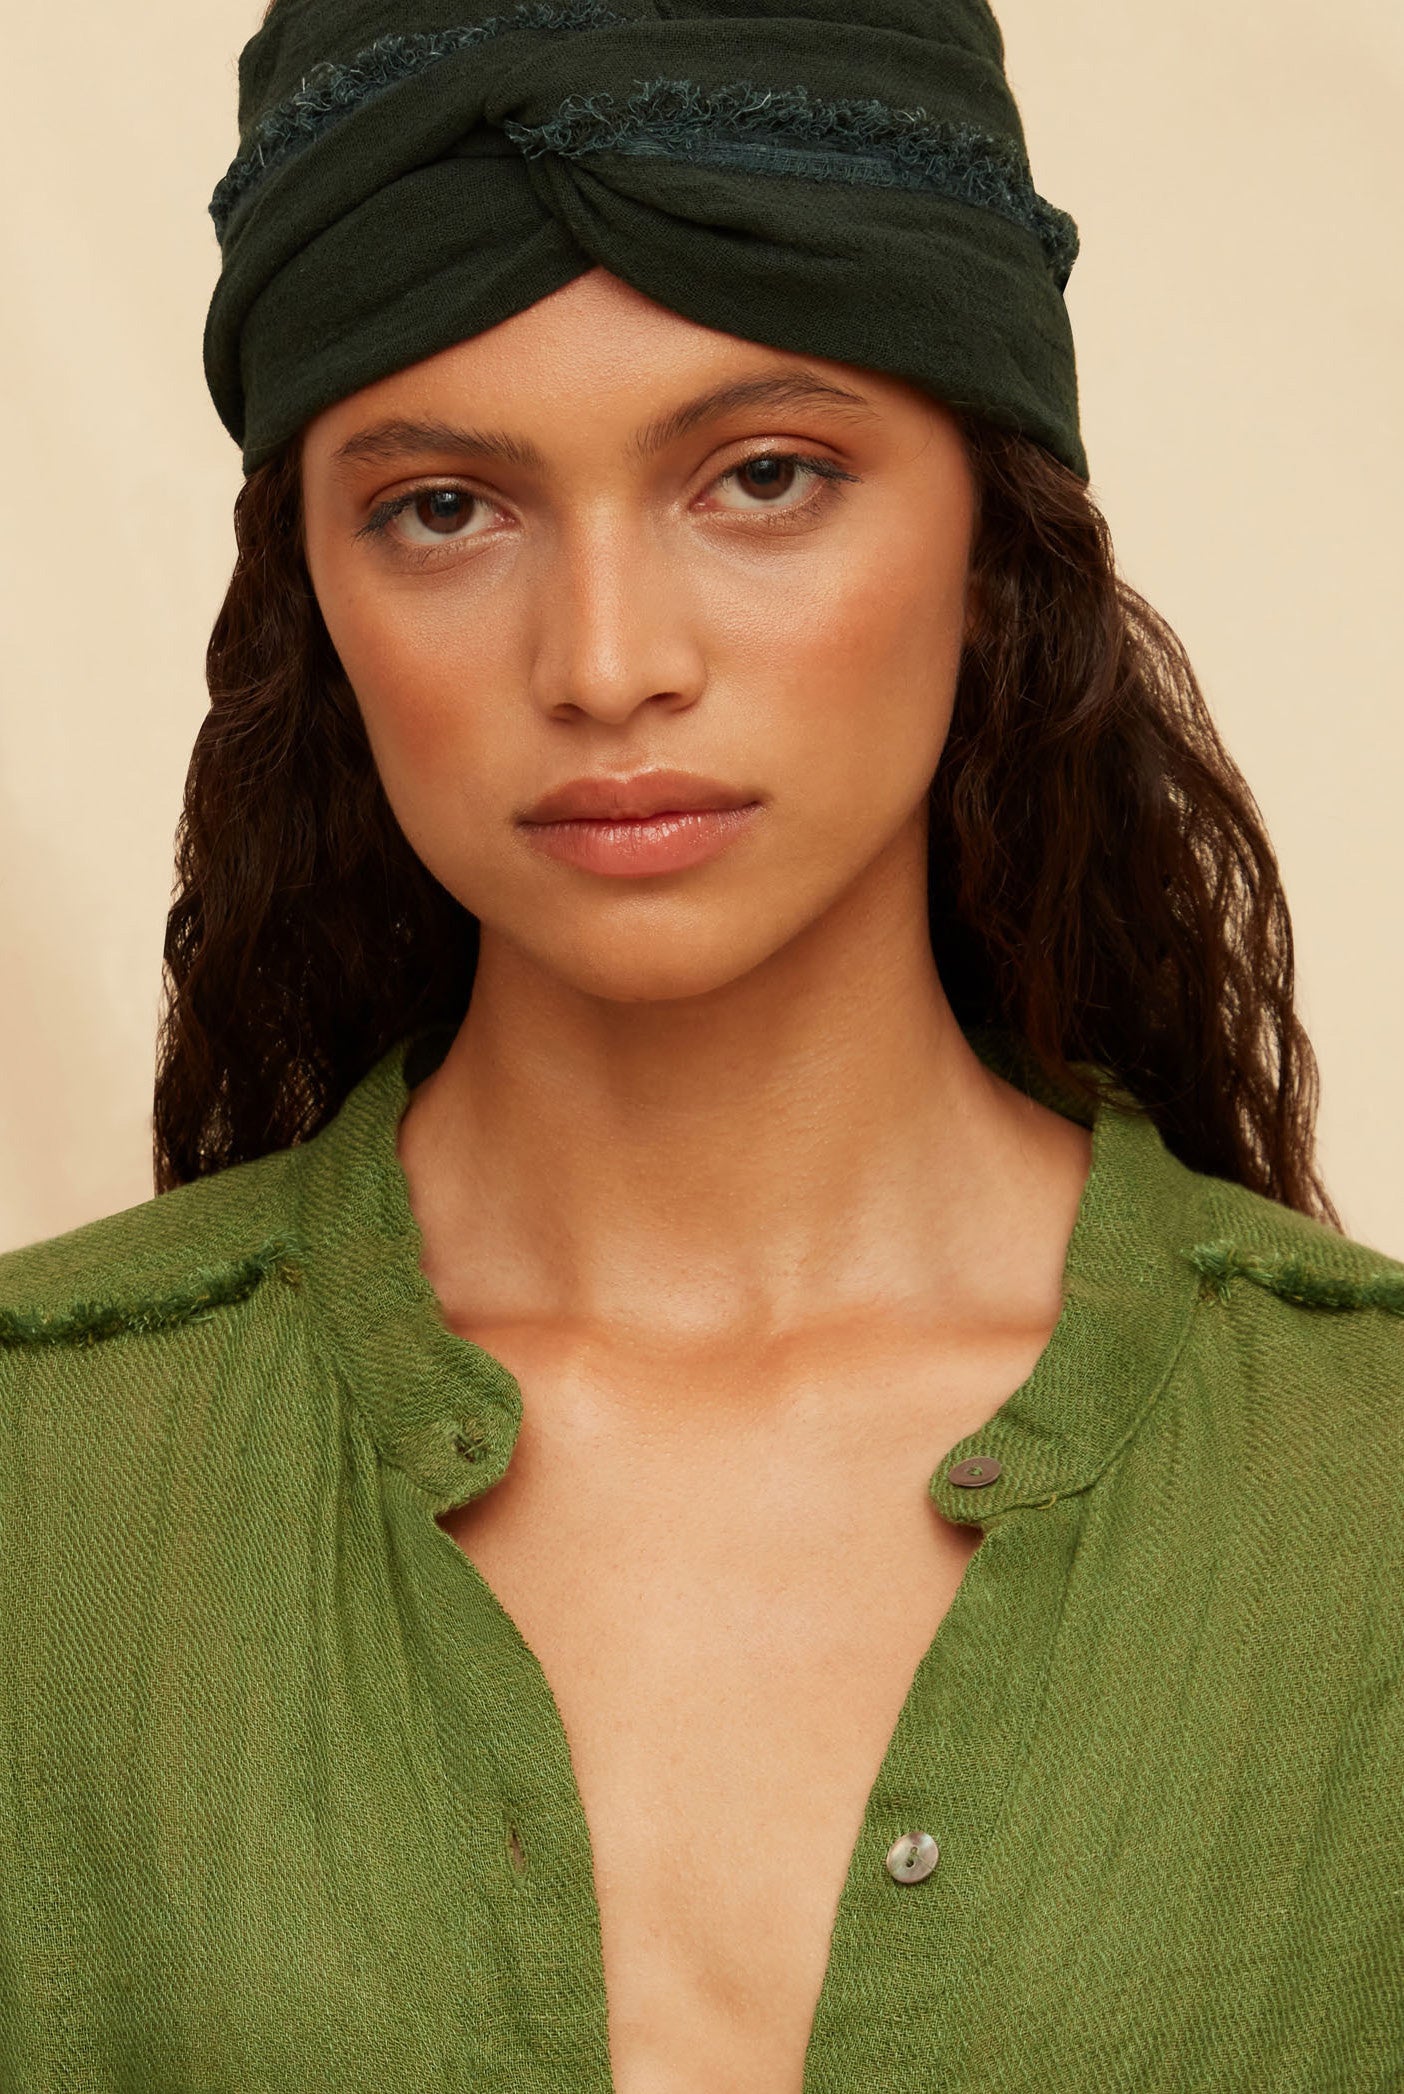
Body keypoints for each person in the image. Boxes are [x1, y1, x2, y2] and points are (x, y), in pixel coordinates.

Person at [1, 0, 1400, 2087]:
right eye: (444, 508)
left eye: (762, 477)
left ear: (995, 532)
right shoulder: (42, 1485)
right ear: (309, 591)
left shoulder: (1367, 1483)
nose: (606, 662)